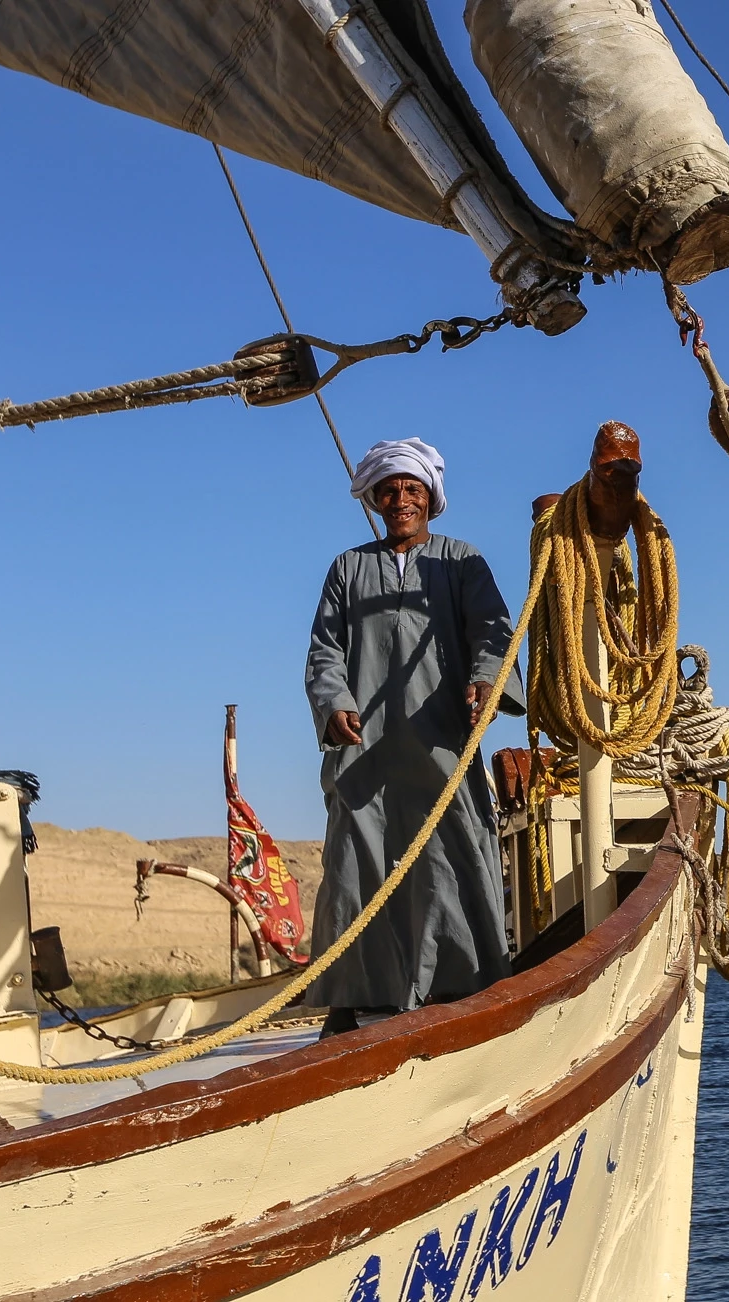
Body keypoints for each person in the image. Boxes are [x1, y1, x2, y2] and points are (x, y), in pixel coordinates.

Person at [303, 438, 523, 1036]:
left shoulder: (462, 562)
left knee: (448, 858)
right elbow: (325, 650)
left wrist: (485, 683)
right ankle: (352, 997)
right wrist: (333, 704)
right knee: (356, 867)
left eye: (412, 489)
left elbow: (494, 635)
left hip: (439, 743)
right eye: (390, 491)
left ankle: (462, 986)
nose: (401, 500)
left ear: (430, 499)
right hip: (364, 749)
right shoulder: (347, 569)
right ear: (374, 499)